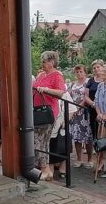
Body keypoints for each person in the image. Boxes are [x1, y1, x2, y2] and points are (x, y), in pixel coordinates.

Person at [32, 51, 66, 180]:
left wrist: (46, 90)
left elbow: (61, 92)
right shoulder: (41, 75)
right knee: (37, 141)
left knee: (40, 141)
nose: (42, 64)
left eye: (44, 61)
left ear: (52, 62)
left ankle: (45, 169)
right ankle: (44, 170)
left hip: (47, 113)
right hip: (37, 111)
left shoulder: (57, 75)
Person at [68, 65, 93, 168]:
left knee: (88, 137)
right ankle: (79, 158)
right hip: (74, 114)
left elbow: (87, 97)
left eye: (81, 71)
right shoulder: (72, 84)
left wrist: (79, 107)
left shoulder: (88, 83)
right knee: (77, 137)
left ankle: (90, 159)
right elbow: (68, 96)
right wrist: (71, 108)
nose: (79, 74)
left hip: (85, 113)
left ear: (85, 72)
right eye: (77, 72)